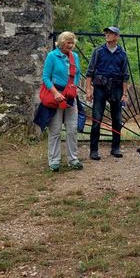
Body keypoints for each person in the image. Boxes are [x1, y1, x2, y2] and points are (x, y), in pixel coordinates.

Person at [85, 26, 130, 160]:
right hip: (100, 87)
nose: (107, 35)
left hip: (116, 88)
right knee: (96, 119)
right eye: (107, 33)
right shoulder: (98, 51)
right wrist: (88, 89)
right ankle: (94, 150)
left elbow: (125, 76)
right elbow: (90, 72)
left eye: (110, 33)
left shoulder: (123, 54)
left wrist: (124, 94)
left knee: (117, 120)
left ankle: (115, 148)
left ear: (117, 36)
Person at [42, 31, 83, 172]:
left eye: (72, 43)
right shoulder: (52, 56)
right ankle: (54, 161)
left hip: (70, 96)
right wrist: (55, 93)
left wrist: (74, 87)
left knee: (72, 129)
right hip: (56, 96)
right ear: (61, 42)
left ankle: (73, 159)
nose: (71, 45)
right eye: (68, 43)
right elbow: (46, 77)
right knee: (56, 130)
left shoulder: (75, 57)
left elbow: (77, 74)